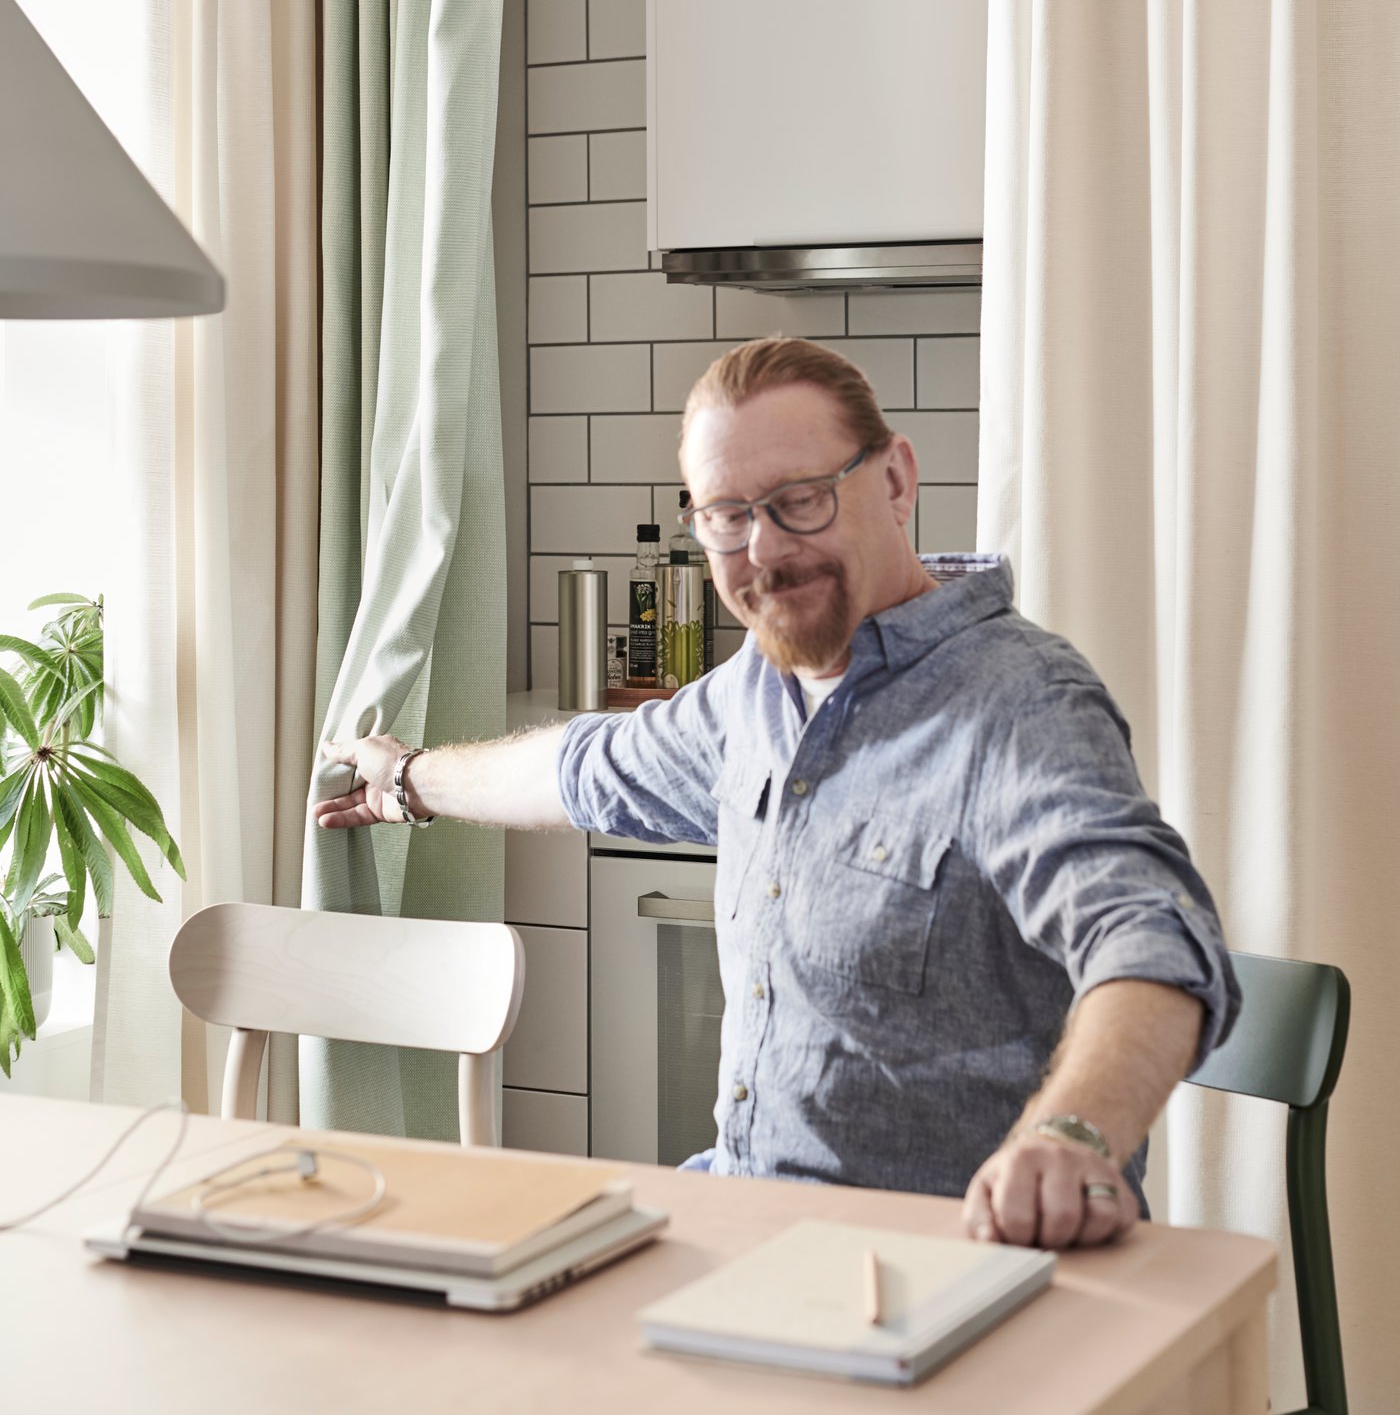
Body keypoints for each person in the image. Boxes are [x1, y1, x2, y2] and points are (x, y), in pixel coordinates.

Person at [316, 336, 1238, 1252]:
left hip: (944, 1269)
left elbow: (1152, 943)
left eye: (800, 501)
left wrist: (1070, 1136)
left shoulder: (1017, 704)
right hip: (743, 1225)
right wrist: (408, 778)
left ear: (896, 480)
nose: (765, 549)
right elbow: (584, 769)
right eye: (726, 515)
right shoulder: (755, 691)